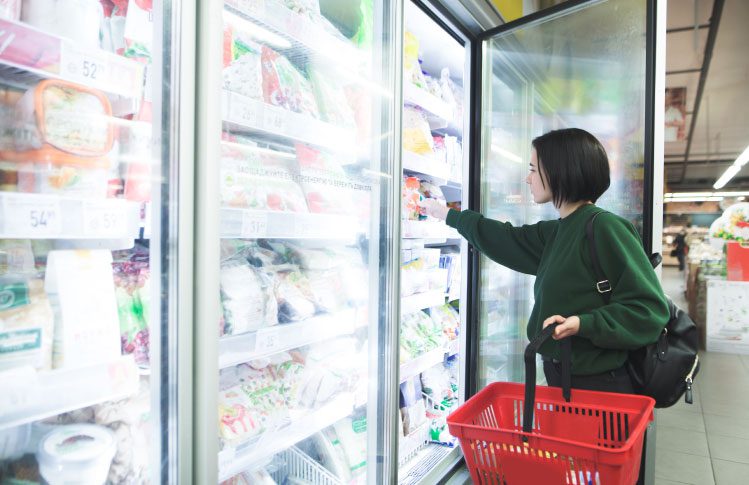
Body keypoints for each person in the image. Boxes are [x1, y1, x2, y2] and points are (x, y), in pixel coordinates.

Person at [422, 128, 669, 482]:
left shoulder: (604, 229)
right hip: (566, 384)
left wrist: (585, 323)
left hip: (600, 391)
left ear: (560, 171)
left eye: (534, 169)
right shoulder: (558, 232)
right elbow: (505, 239)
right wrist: (448, 215)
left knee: (593, 476)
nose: (527, 178)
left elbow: (649, 310)